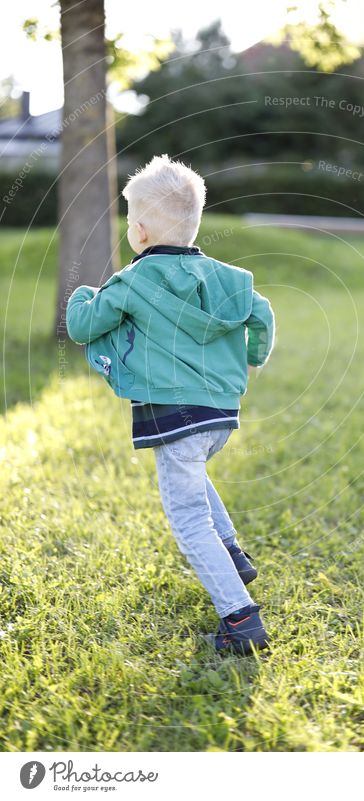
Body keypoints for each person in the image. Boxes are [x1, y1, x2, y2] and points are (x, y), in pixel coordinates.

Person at [66, 154, 275, 655]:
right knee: (193, 472)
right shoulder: (229, 278)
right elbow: (262, 313)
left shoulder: (132, 283)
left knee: (186, 520)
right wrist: (252, 358)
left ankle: (240, 619)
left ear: (138, 231)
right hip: (220, 414)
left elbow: (82, 327)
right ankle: (231, 551)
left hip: (174, 416)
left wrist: (80, 295)